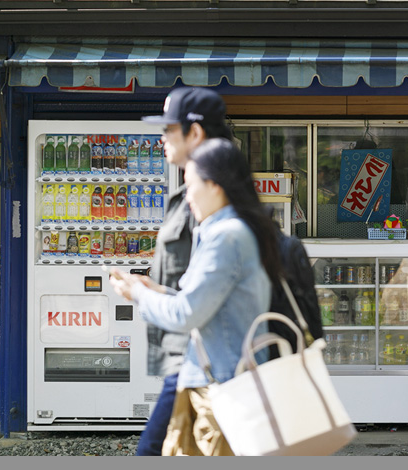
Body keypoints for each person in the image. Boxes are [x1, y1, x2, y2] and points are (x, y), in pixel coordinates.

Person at [109, 138, 283, 455]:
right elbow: (209, 303)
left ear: (214, 184)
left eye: (191, 186)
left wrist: (137, 295)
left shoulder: (225, 235)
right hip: (220, 380)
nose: (187, 196)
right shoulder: (230, 230)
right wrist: (159, 291)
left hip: (220, 385)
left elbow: (187, 314)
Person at [134, 87, 234, 456]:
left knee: (151, 453)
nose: (161, 139)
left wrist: (142, 295)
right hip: (187, 353)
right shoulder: (188, 194)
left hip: (202, 356)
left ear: (195, 133)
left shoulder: (216, 203)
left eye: (168, 130)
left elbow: (207, 294)